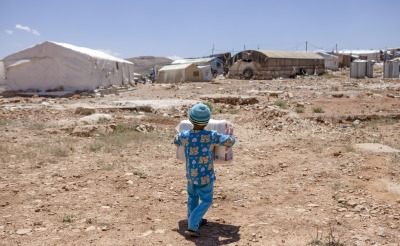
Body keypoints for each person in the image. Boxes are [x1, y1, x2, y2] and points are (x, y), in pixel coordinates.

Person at [174, 103, 236, 237]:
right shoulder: (210, 135)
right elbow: (228, 141)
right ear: (207, 121)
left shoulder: (185, 135)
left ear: (190, 120)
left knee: (193, 197)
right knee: (207, 200)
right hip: (205, 176)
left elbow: (176, 140)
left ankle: (195, 220)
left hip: (191, 175)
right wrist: (232, 137)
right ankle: (193, 223)